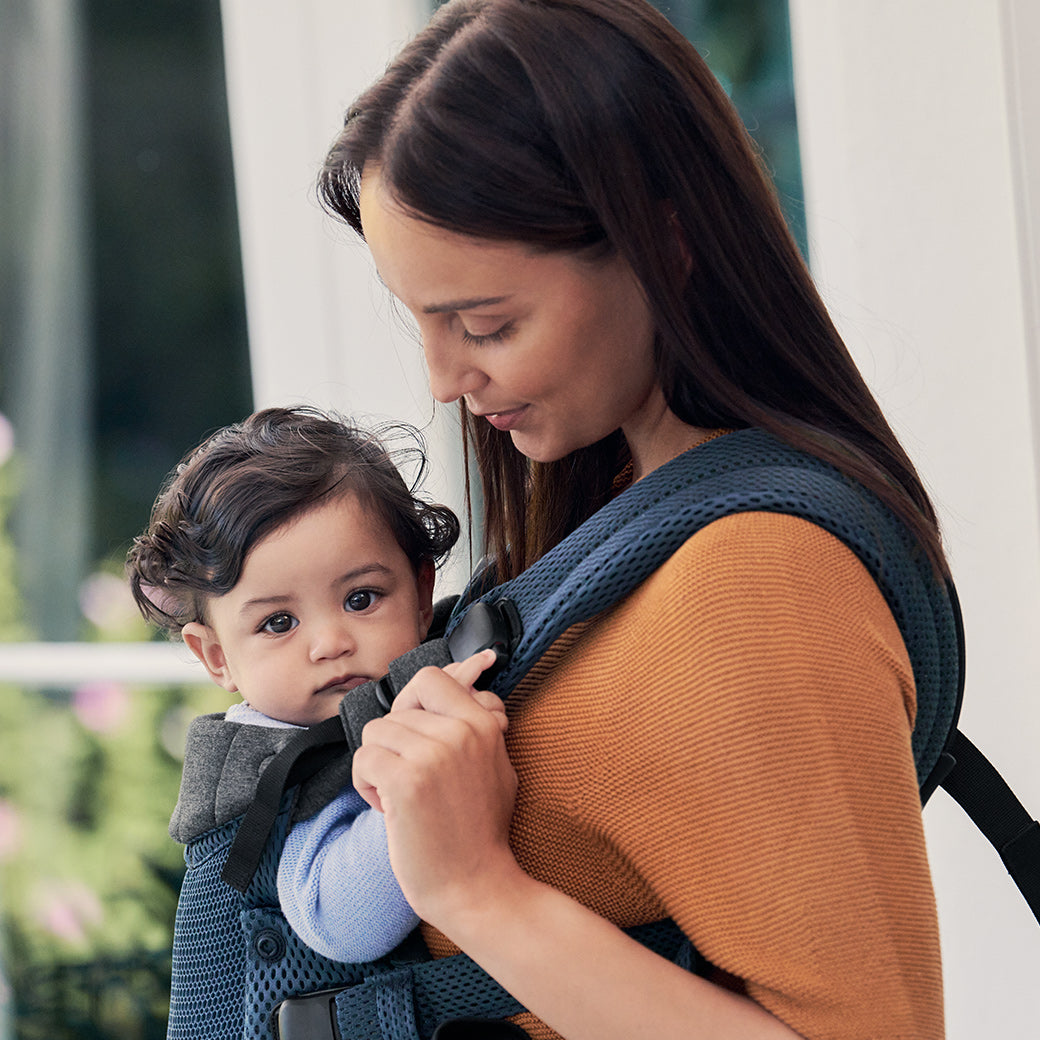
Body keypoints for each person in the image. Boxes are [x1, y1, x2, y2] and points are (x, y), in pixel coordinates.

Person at [315, 1, 950, 1038]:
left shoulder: (760, 579)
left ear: (665, 243)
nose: (443, 377)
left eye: (485, 322)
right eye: (419, 317)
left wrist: (477, 890)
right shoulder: (617, 526)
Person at [126, 405, 502, 964]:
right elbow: (339, 921)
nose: (330, 643)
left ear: (422, 593)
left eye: (361, 599)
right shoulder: (268, 764)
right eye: (279, 623)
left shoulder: (447, 655)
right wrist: (424, 781)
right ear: (217, 656)